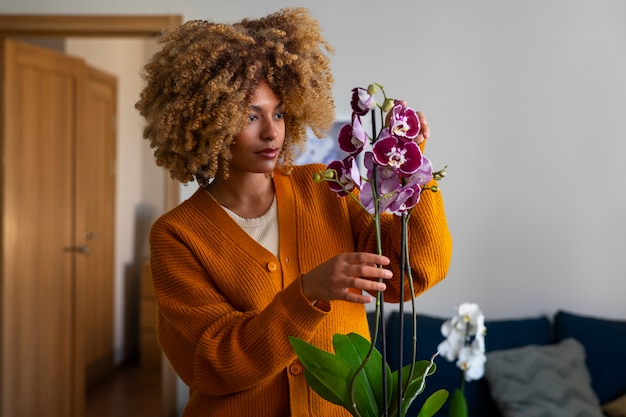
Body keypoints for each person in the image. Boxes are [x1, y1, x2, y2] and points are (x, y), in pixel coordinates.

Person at [135, 7, 452, 417]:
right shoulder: (177, 234)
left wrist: (413, 167)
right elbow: (210, 364)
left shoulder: (323, 187)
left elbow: (410, 276)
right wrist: (305, 294)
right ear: (206, 121)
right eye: (251, 116)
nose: (272, 131)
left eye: (280, 113)